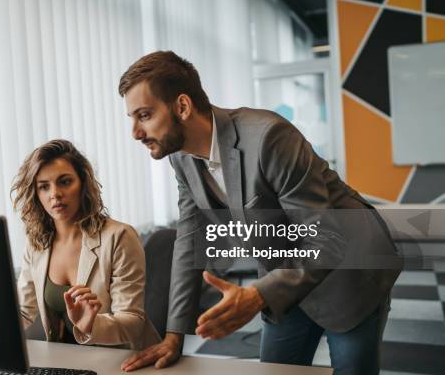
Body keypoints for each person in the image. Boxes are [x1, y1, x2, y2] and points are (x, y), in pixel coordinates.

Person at [118, 51, 402, 374]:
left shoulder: (269, 137)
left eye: (144, 115)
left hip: (350, 272)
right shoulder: (181, 157)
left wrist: (256, 295)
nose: (135, 133)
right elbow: (189, 241)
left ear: (182, 107)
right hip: (284, 279)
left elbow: (325, 241)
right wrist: (173, 336)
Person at [11, 139, 160, 350]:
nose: (55, 194)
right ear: (36, 194)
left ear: (83, 183)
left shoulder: (119, 236)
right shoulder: (37, 243)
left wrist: (92, 325)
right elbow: (24, 312)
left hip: (123, 360)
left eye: (64, 181)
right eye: (44, 187)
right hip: (66, 362)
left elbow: (133, 320)